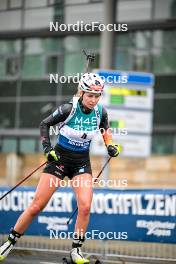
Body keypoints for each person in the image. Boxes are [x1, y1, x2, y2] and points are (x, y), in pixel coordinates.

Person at [0, 72, 119, 264]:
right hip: (59, 161)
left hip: (81, 163)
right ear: (81, 93)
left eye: (97, 96)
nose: (94, 100)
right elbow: (44, 124)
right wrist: (47, 149)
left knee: (86, 206)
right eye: (90, 95)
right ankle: (9, 244)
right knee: (37, 205)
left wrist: (110, 145)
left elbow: (105, 129)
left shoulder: (100, 112)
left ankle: (76, 250)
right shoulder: (68, 109)